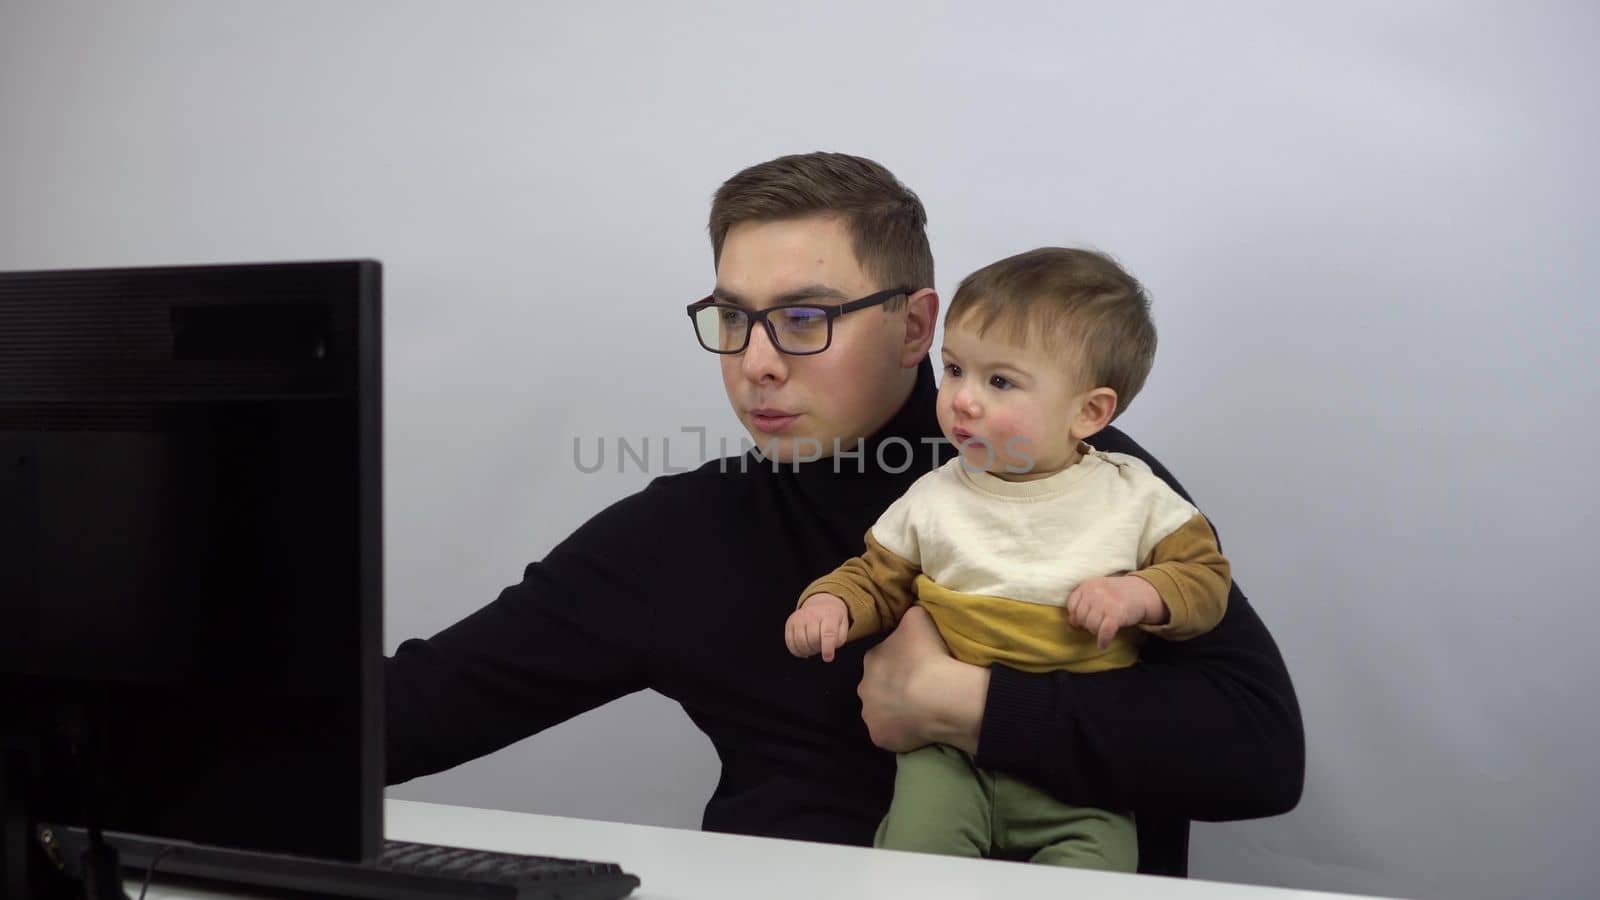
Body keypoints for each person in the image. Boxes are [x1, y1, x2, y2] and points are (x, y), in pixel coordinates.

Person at [384, 152, 1304, 877]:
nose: (759, 362)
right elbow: (415, 707)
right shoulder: (682, 534)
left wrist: (961, 705)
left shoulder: (1065, 473)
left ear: (914, 327)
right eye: (733, 317)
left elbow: (1259, 751)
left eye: (805, 317)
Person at [786, 247, 1231, 871]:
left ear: (1089, 411)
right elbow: (876, 577)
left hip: (1077, 771)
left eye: (999, 381)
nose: (962, 399)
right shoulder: (934, 495)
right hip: (946, 758)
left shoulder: (1136, 495)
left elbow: (1205, 581)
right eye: (955, 369)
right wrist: (831, 602)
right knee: (912, 869)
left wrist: (1141, 595)